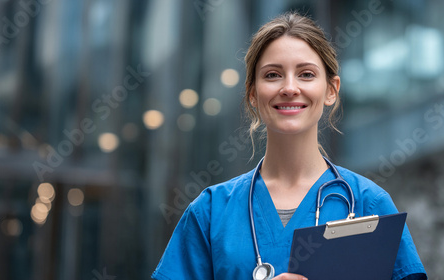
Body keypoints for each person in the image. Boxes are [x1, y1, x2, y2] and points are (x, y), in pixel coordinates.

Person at [152, 12, 427, 280]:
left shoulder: (370, 203)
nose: (290, 87)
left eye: (306, 74)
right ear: (252, 94)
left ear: (331, 90)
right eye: (272, 75)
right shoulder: (211, 212)